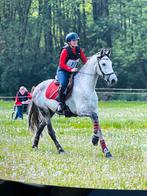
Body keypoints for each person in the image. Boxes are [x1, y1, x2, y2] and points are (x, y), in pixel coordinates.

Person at [56, 32, 88, 113]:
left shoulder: (78, 49)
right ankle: (60, 103)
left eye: (76, 40)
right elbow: (61, 64)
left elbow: (85, 60)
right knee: (64, 84)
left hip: (73, 71)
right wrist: (70, 69)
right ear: (69, 42)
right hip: (63, 70)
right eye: (74, 40)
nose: (76, 42)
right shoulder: (65, 51)